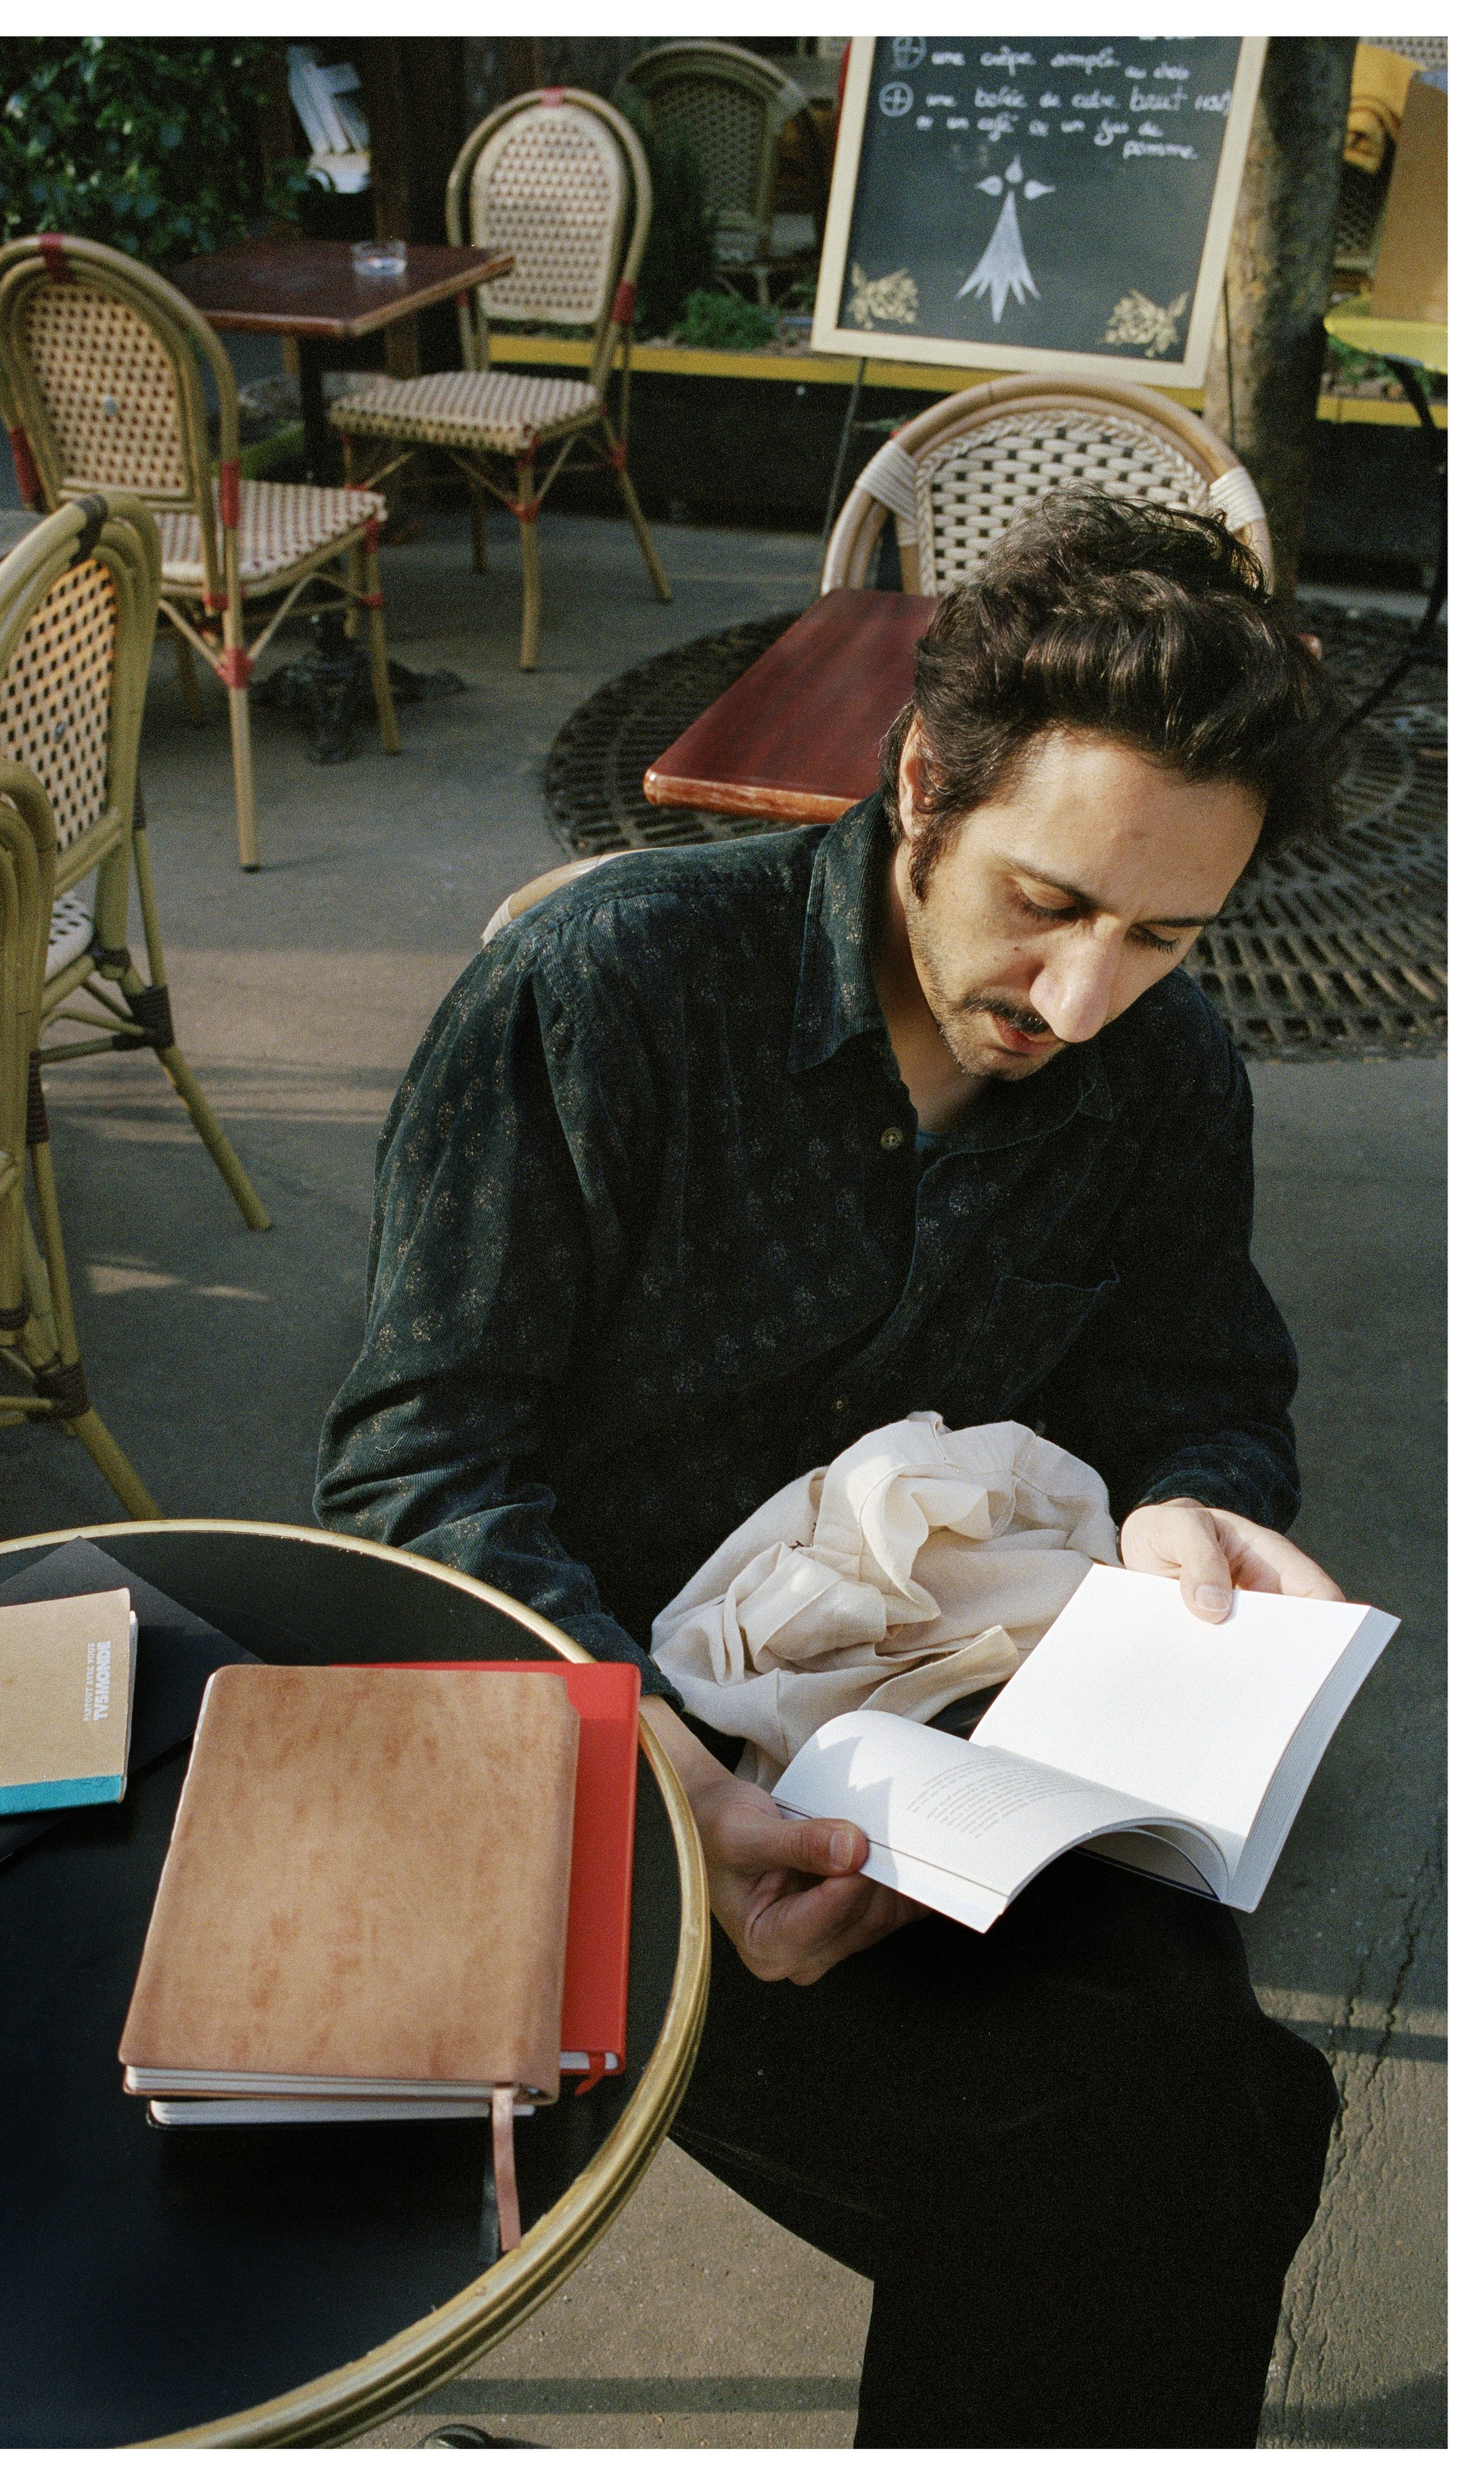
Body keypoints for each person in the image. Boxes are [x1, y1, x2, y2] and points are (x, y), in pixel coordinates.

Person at [316, 495, 1349, 2447]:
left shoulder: (1166, 1066)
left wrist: (1185, 1499)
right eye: (1046, 905)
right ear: (915, 786)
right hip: (596, 1737)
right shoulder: (611, 997)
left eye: (1164, 934)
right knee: (1153, 2150)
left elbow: (1201, 1382)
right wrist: (665, 1780)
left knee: (1180, 2112)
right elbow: (412, 1469)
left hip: (965, 1746)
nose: (1083, 999)